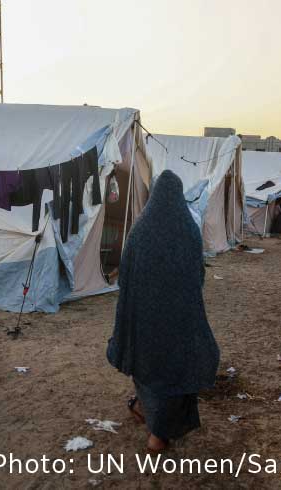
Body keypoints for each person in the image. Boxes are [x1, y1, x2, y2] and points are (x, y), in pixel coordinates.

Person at [106, 169, 220, 452]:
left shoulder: (139, 231)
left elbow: (125, 279)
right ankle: (158, 431)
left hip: (145, 323)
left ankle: (156, 433)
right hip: (180, 321)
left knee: (149, 374)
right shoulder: (190, 232)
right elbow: (198, 277)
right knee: (176, 375)